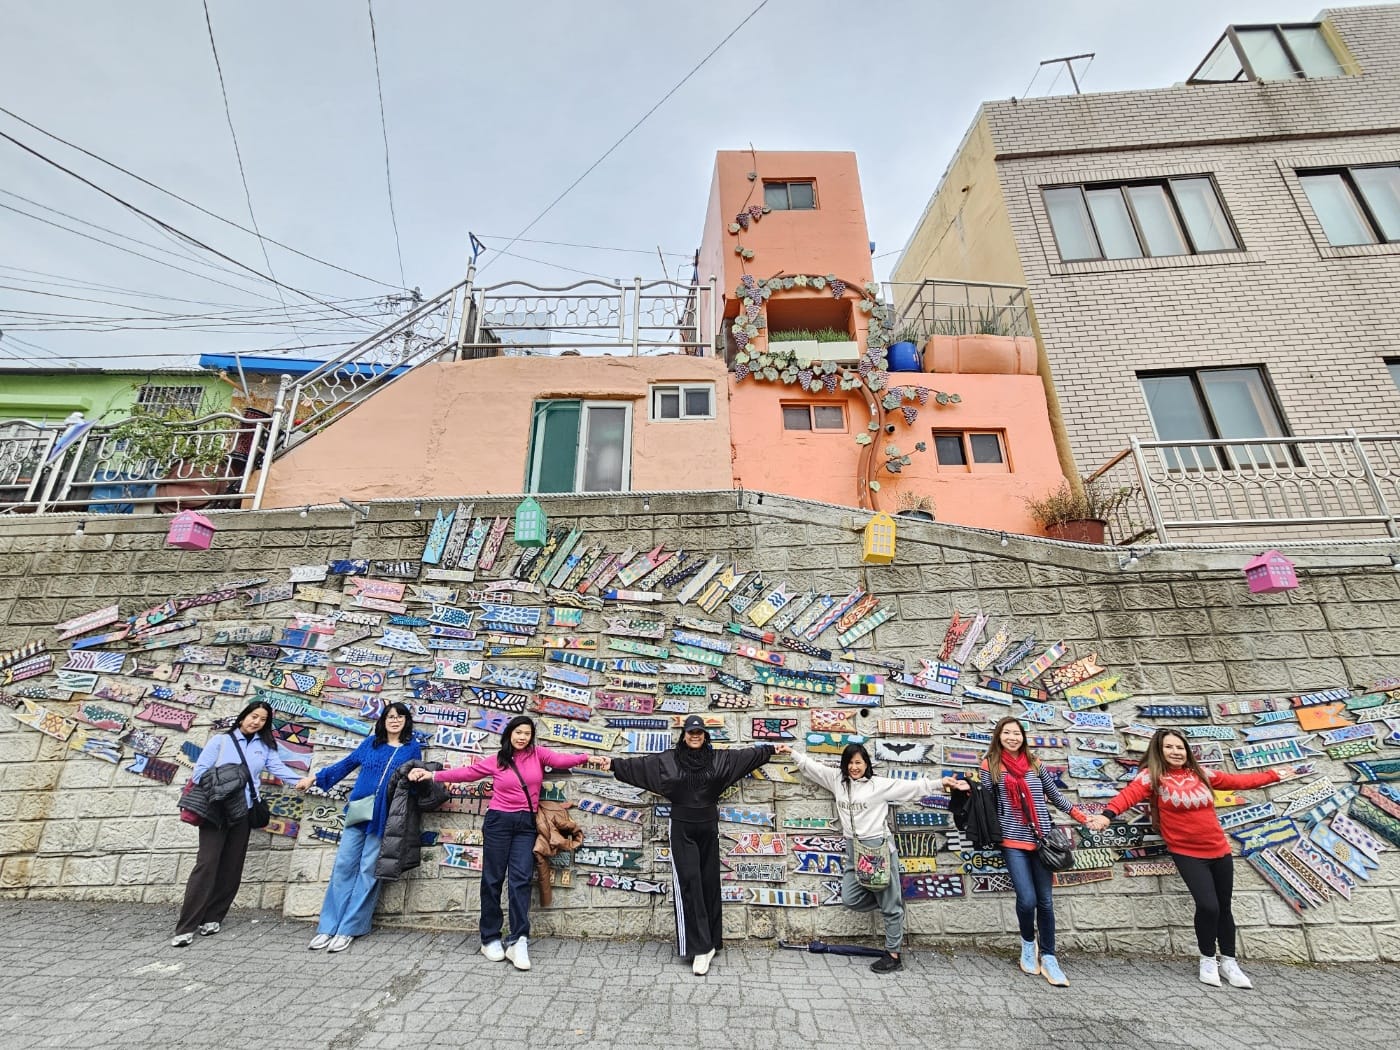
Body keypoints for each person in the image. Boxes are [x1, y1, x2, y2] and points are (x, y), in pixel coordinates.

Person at [1086, 728, 1301, 989]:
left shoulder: (1201, 774)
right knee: (1208, 906)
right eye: (1169, 747)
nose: (1176, 752)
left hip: (1219, 851)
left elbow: (1240, 782)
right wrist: (1106, 816)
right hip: (1187, 853)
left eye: (1180, 747)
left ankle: (1230, 962)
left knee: (1224, 908)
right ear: (1159, 750)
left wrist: (1275, 775)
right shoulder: (1152, 777)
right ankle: (1207, 959)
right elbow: (1127, 796)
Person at [407, 715, 590, 971]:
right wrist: (432, 775)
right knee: (492, 879)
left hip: (526, 825)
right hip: (498, 823)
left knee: (521, 878)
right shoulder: (497, 760)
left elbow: (563, 760)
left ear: (531, 736)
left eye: (527, 733)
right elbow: (467, 773)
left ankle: (518, 939)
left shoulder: (538, 755)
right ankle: (489, 937)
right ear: (509, 734)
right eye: (518, 732)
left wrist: (587, 758)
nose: (522, 737)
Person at [604, 714, 778, 976]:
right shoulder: (668, 760)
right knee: (689, 882)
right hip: (682, 827)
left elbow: (746, 757)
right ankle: (699, 947)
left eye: (699, 732)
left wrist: (772, 749)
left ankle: (711, 943)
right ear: (684, 735)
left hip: (708, 826)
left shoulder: (719, 760)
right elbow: (639, 767)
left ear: (705, 735)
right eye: (690, 732)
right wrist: (612, 764)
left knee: (709, 882)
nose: (695, 736)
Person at [788, 742, 959, 973]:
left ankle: (893, 953)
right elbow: (813, 768)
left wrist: (941, 783)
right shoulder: (838, 781)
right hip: (853, 849)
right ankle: (891, 906)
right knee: (850, 898)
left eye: (858, 762)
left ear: (866, 763)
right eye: (849, 762)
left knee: (890, 904)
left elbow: (912, 787)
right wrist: (792, 753)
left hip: (877, 848)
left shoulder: (879, 785)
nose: (853, 767)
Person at [949, 716, 1088, 986]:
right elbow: (985, 798)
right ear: (999, 737)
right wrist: (968, 788)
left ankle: (1049, 956)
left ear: (1023, 737)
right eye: (1007, 733)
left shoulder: (1035, 764)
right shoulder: (991, 765)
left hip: (1043, 841)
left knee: (1045, 901)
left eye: (1017, 733)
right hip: (1012, 842)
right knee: (1027, 900)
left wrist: (1084, 818)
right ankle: (1027, 945)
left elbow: (1056, 796)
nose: (1013, 737)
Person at [171, 700, 303, 947]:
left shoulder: (265, 747)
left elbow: (279, 769)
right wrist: (229, 779)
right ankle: (186, 925)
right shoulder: (220, 741)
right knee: (207, 864)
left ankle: (213, 917)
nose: (257, 722)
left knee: (232, 866)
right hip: (217, 810)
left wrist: (305, 781)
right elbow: (200, 772)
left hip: (244, 811)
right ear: (243, 716)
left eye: (263, 719)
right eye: (254, 716)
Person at [294, 702, 422, 954]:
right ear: (383, 720)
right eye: (391, 716)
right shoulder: (371, 744)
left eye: (400, 717)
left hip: (384, 815)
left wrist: (417, 778)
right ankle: (328, 926)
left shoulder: (411, 748)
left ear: (407, 721)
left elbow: (412, 782)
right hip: (359, 811)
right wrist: (313, 779)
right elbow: (345, 765)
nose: (395, 721)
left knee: (367, 871)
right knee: (343, 865)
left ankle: (350, 928)